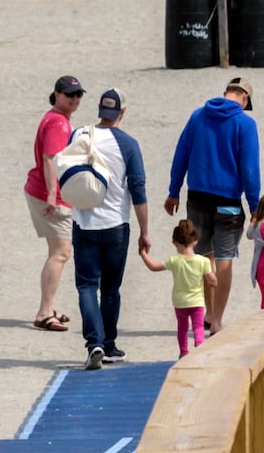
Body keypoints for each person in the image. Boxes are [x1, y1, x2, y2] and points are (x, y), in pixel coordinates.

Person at [164, 76, 260, 337]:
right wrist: (254, 205)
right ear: (245, 98)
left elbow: (180, 154)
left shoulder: (197, 117)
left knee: (204, 257)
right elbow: (249, 168)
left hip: (197, 198)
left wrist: (173, 191)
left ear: (225, 92)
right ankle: (217, 320)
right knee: (225, 259)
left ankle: (207, 314)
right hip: (228, 203)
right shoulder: (245, 123)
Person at [69, 88, 150, 368]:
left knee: (87, 286)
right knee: (111, 289)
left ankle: (94, 344)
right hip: (116, 225)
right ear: (122, 112)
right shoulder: (128, 144)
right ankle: (110, 344)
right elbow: (138, 189)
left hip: (84, 223)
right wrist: (145, 231)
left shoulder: (79, 134)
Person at [27, 75, 84, 332]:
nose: (74, 98)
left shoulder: (56, 119)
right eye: (69, 94)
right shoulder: (58, 124)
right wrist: (52, 193)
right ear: (57, 94)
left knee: (56, 252)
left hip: (43, 190)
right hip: (50, 195)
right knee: (61, 253)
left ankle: (47, 308)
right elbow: (50, 158)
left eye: (78, 94)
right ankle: (44, 312)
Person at [140, 221, 217, 357]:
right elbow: (212, 280)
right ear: (195, 241)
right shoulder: (203, 261)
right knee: (198, 327)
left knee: (182, 329)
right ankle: (200, 347)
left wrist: (143, 254)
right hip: (197, 302)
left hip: (180, 303)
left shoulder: (174, 261)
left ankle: (183, 352)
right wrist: (214, 281)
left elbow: (153, 267)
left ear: (175, 243)